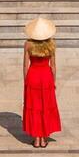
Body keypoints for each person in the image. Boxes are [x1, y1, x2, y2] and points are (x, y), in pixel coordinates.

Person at [22, 17, 62, 148]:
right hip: (46, 77)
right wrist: (53, 82)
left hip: (33, 76)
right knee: (45, 107)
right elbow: (54, 66)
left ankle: (37, 138)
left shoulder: (28, 44)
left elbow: (25, 66)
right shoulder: (51, 45)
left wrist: (26, 81)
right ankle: (43, 138)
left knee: (34, 107)